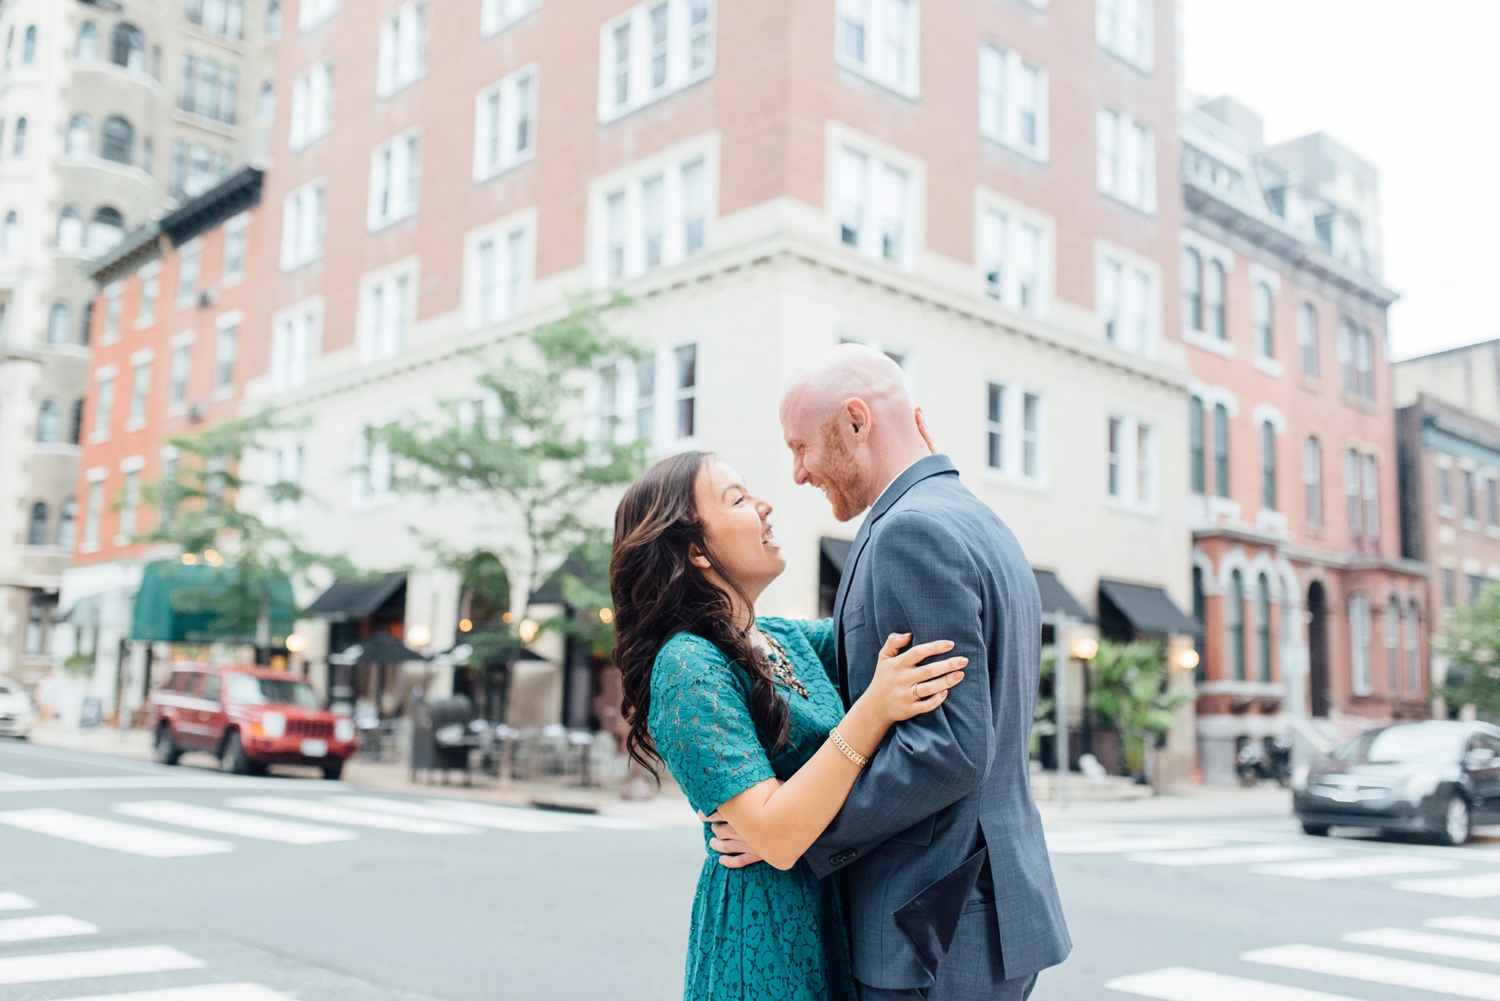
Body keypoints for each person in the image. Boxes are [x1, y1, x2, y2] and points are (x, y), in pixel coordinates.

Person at [711, 344, 1071, 1000]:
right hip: (983, 910)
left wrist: (791, 829)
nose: (796, 473)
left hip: (933, 926)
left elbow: (949, 748)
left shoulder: (912, 532)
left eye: (801, 447)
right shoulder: (978, 521)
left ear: (855, 420)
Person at [611, 449, 967, 1001]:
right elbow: (775, 838)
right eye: (738, 499)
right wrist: (873, 710)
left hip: (831, 909)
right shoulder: (686, 666)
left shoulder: (785, 639)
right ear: (696, 551)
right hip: (764, 935)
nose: (765, 505)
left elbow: (876, 620)